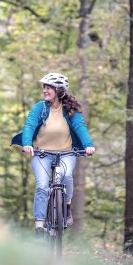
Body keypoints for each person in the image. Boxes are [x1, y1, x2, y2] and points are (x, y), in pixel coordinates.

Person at [11, 73, 95, 236]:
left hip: (66, 153)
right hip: (41, 153)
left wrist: (89, 145)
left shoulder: (70, 110)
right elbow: (29, 125)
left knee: (66, 176)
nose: (45, 90)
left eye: (48, 87)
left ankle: (67, 206)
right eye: (44, 87)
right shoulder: (40, 108)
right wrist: (27, 143)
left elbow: (80, 127)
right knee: (42, 185)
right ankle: (40, 226)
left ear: (59, 90)